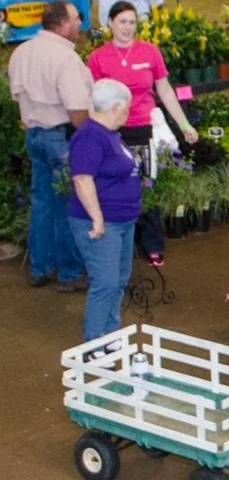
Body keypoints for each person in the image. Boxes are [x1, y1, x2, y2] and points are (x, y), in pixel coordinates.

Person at [88, 1, 197, 267]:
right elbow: (92, 98)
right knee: (112, 185)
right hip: (113, 132)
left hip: (145, 129)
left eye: (132, 22)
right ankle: (115, 243)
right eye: (122, 21)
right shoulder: (98, 58)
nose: (127, 27)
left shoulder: (150, 52)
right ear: (110, 23)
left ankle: (152, 245)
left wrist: (184, 125)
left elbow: (166, 91)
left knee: (147, 184)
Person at [8, 0, 92, 292]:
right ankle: (69, 274)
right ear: (62, 23)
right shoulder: (65, 59)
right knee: (68, 205)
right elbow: (78, 110)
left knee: (42, 203)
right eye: (76, 19)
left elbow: (17, 96)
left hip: (34, 136)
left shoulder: (21, 52)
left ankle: (40, 268)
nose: (79, 23)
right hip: (61, 137)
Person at [65, 79, 142, 342]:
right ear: (117, 106)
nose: (129, 111)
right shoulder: (90, 136)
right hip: (103, 223)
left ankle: (110, 334)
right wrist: (97, 219)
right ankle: (95, 341)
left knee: (119, 279)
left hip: (121, 221)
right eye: (128, 106)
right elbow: (82, 179)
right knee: (106, 282)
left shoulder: (107, 133)